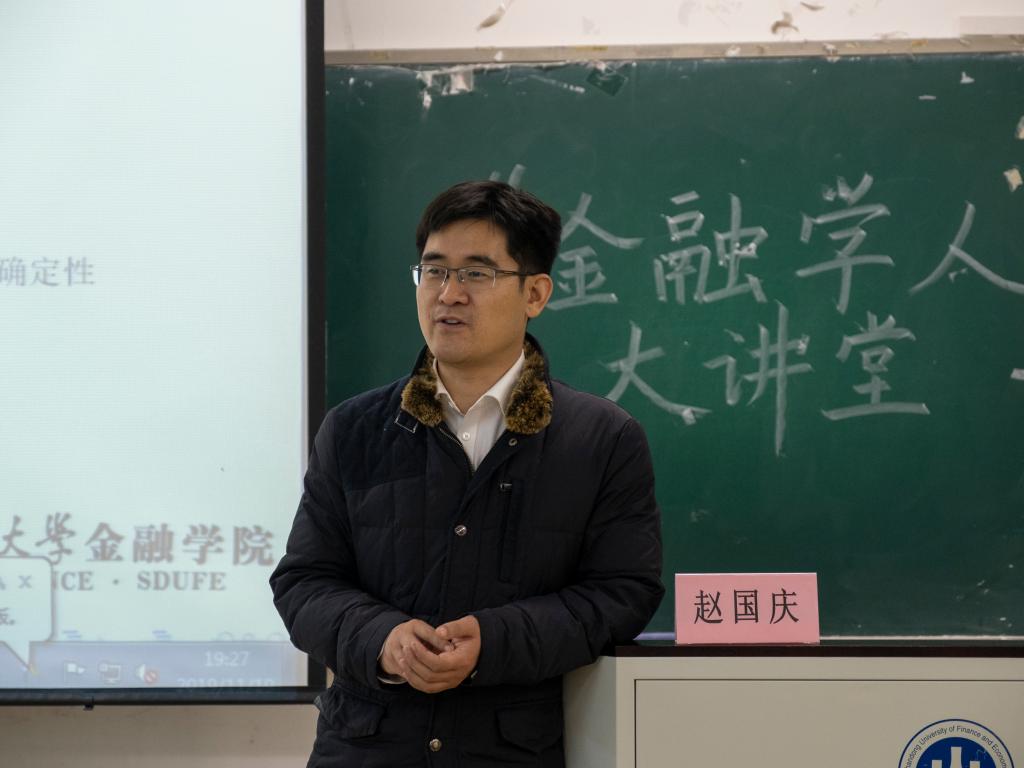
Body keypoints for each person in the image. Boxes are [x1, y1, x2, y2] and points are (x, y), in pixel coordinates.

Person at [270, 180, 664, 767]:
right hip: (366, 750)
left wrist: (493, 641)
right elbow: (304, 583)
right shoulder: (354, 429)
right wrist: (382, 639)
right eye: (433, 271)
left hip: (513, 752)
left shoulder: (601, 439)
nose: (448, 294)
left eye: (477, 273)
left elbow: (622, 594)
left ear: (535, 293)